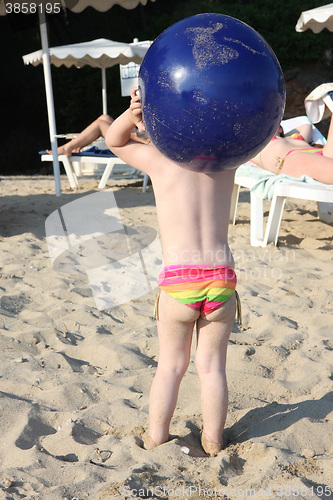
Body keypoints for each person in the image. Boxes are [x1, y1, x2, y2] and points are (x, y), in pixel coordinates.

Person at [105, 89, 239, 456]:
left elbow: (113, 139)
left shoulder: (159, 162)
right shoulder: (227, 160)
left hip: (180, 282)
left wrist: (134, 116)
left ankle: (156, 438)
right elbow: (257, 130)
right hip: (221, 281)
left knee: (170, 367)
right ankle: (214, 443)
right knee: (212, 369)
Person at [250, 115, 333, 184]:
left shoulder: (294, 138)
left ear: (280, 128)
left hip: (320, 152)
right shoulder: (258, 144)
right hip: (291, 158)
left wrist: (282, 134)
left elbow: (307, 125)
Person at [47, 114, 149, 157]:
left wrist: (135, 137)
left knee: (100, 124)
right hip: (140, 138)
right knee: (104, 117)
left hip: (142, 144)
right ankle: (77, 145)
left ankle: (68, 148)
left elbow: (153, 145)